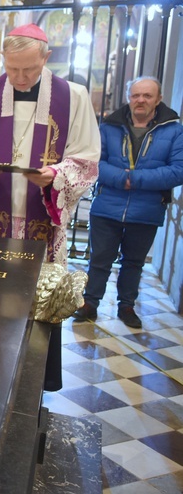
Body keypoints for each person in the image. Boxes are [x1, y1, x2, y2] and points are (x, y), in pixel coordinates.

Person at [0, 24, 101, 391]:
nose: (18, 77)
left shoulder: (74, 97)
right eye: (11, 68)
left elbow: (88, 160)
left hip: (42, 222)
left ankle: (31, 384)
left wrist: (56, 176)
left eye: (28, 70)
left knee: (36, 304)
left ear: (46, 59)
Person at [73, 77, 183, 328]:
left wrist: (135, 179)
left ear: (158, 99)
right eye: (136, 95)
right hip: (107, 206)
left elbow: (178, 170)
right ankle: (90, 304)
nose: (140, 100)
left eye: (146, 95)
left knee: (133, 263)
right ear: (128, 97)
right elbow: (94, 163)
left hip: (147, 210)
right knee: (99, 260)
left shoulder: (174, 131)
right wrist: (121, 179)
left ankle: (127, 306)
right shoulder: (108, 127)